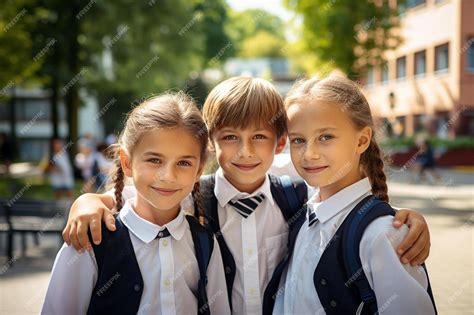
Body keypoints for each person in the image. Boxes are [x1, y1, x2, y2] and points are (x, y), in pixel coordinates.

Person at [61, 77, 431, 315]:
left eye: (259, 138)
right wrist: (91, 201)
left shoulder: (296, 197)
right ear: (210, 145)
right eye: (229, 138)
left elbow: (347, 198)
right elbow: (147, 194)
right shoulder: (191, 202)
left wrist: (399, 217)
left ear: (278, 143)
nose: (245, 153)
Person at [42, 92, 230, 314]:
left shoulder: (205, 241)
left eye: (184, 163)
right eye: (154, 160)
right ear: (127, 162)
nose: (168, 176)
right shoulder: (90, 240)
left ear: (199, 170)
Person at [265, 76, 436, 314]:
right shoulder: (303, 215)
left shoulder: (383, 234)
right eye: (298, 140)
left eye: (326, 137)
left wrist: (393, 222)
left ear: (362, 140)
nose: (309, 154)